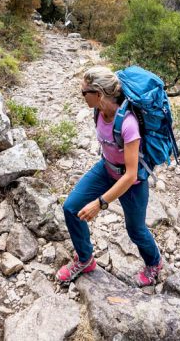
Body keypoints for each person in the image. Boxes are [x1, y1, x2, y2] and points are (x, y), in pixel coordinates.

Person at [57, 66, 164, 286]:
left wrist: (100, 203)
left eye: (84, 92)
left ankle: (154, 263)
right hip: (106, 169)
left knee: (136, 230)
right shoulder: (98, 111)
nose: (81, 96)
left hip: (132, 182)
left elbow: (131, 174)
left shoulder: (128, 124)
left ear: (98, 94)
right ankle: (85, 259)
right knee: (70, 207)